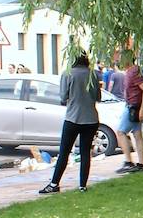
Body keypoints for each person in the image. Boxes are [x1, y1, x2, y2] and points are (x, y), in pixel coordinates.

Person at [38, 53, 101, 194]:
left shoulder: (68, 73)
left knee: (64, 152)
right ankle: (82, 185)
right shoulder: (93, 74)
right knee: (85, 153)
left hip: (73, 117)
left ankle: (54, 184)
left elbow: (63, 96)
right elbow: (98, 96)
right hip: (91, 118)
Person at [116, 51, 143, 173]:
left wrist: (142, 109)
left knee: (120, 132)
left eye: (120, 58)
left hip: (133, 106)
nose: (118, 61)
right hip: (134, 106)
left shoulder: (134, 71)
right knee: (137, 134)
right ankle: (141, 164)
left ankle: (128, 162)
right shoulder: (132, 71)